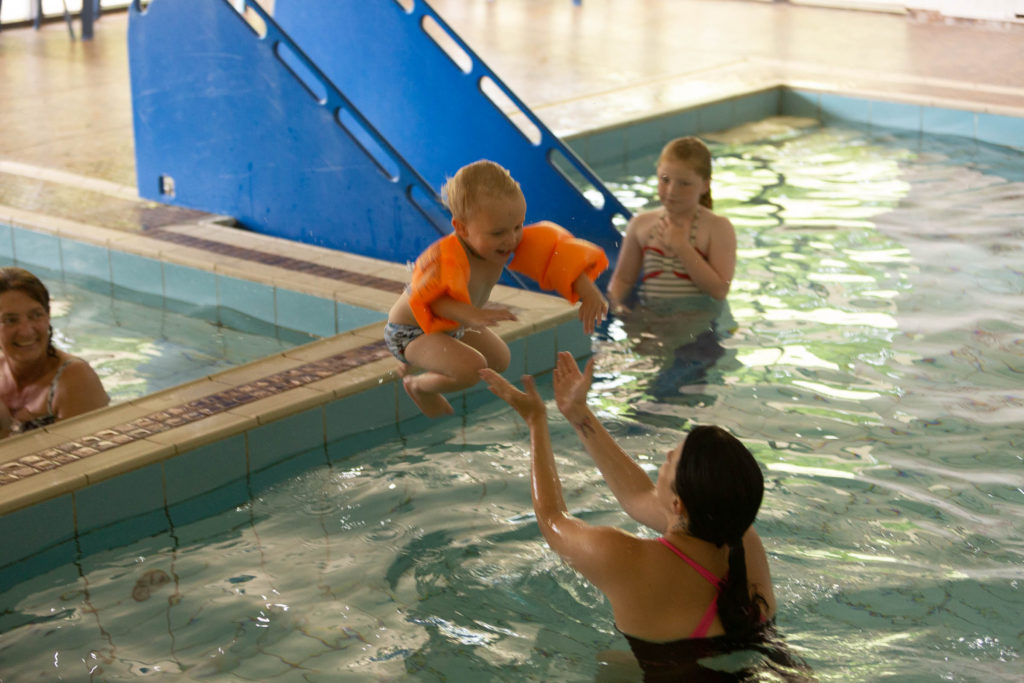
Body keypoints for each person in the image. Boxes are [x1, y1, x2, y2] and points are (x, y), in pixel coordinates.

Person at [481, 352, 809, 681]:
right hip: (775, 670)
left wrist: (536, 421)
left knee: (612, 663)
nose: (667, 454)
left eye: (674, 457)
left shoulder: (623, 558)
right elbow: (637, 496)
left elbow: (552, 519)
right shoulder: (744, 539)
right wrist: (579, 415)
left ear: (678, 505)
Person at [386, 160, 609, 418]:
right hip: (412, 332)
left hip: (452, 326)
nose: (512, 239)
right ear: (462, 228)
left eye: (517, 227)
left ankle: (418, 362)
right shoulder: (445, 259)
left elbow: (555, 258)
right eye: (498, 233)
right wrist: (472, 315)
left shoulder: (504, 240)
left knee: (499, 360)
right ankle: (418, 386)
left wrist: (589, 290)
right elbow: (430, 302)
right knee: (472, 368)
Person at [607, 137, 737, 314]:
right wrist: (617, 306)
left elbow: (720, 291)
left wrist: (682, 247)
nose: (672, 191)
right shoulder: (640, 224)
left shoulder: (717, 228)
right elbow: (623, 279)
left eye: (684, 184)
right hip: (650, 319)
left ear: (704, 185)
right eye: (665, 180)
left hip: (697, 326)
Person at [0, 267, 109, 438]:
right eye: (10, 320)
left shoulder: (74, 378)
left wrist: (5, 429)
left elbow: (83, 458)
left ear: (48, 316)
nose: (26, 331)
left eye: (36, 315)